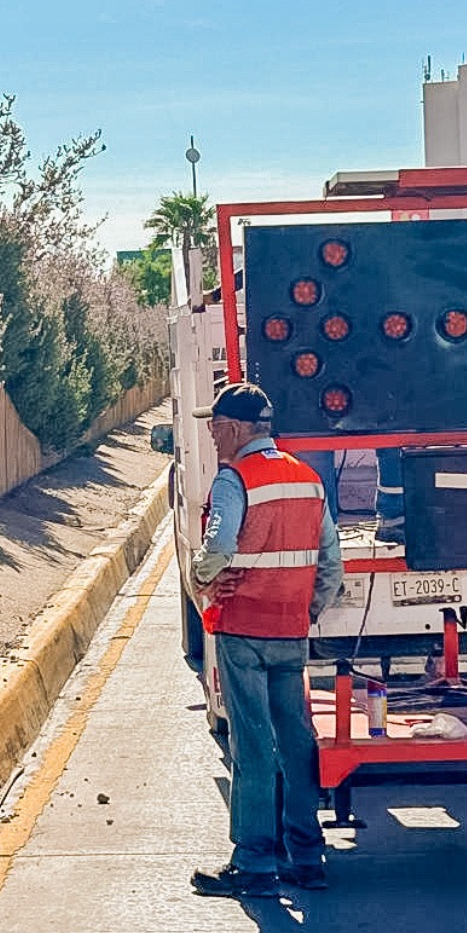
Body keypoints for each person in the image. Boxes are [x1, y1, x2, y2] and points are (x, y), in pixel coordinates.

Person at [187, 382, 343, 899]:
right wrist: (306, 609)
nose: (212, 439)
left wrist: (202, 578)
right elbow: (331, 566)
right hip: (289, 631)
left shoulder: (235, 479)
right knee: (296, 741)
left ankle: (254, 863)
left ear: (234, 429)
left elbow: (219, 545)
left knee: (252, 744)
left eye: (215, 430)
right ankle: (307, 856)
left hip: (243, 631)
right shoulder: (308, 479)